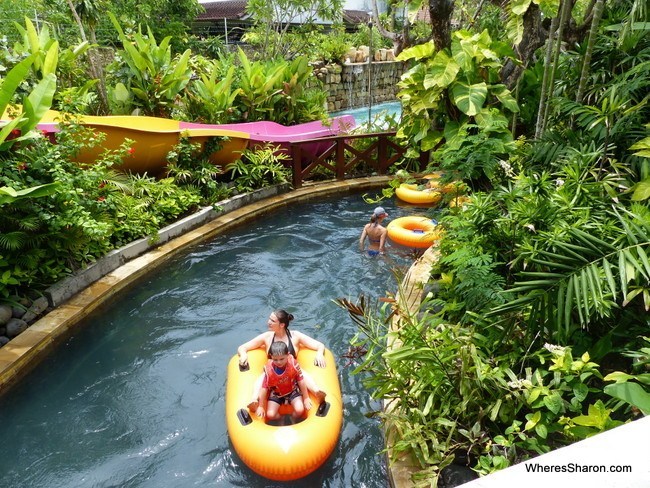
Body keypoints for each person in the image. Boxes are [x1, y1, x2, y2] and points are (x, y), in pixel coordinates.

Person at [237, 309, 326, 411]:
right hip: (273, 375)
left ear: (282, 324)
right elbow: (242, 347)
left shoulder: (295, 336)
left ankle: (316, 392)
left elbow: (319, 345)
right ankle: (254, 400)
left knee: (300, 371)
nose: (268, 322)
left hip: (292, 374)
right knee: (263, 376)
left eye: (272, 321)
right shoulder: (267, 337)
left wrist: (319, 354)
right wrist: (243, 355)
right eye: (269, 319)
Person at [256, 341, 310, 422]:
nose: (279, 362)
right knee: (270, 414)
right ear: (271, 357)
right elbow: (264, 388)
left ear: (288, 355)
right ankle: (281, 419)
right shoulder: (269, 370)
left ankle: (293, 418)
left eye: (282, 359)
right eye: (275, 359)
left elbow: (300, 380)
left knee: (300, 410)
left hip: (292, 390)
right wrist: (260, 406)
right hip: (277, 393)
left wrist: (306, 398)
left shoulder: (293, 364)